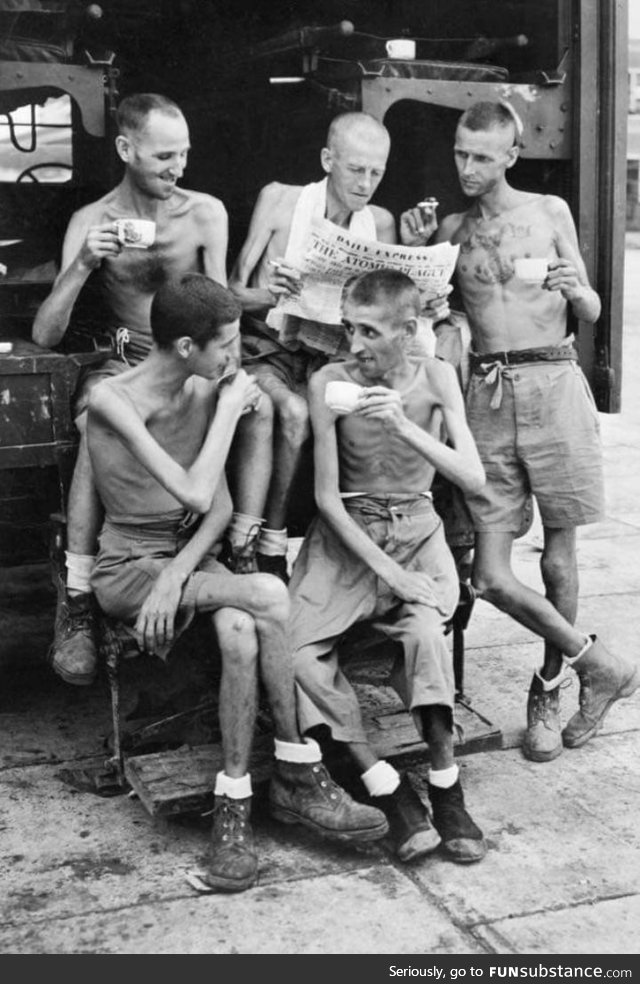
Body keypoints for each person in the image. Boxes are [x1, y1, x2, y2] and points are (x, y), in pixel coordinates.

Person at [85, 273, 389, 893]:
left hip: (185, 562)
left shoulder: (202, 389)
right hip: (127, 567)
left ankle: (236, 805)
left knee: (242, 631)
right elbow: (192, 490)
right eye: (225, 345)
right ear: (184, 347)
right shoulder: (114, 400)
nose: (237, 357)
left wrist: (176, 576)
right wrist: (229, 408)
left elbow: (217, 509)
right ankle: (298, 769)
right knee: (270, 594)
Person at [426, 100, 639, 762]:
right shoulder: (453, 228)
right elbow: (433, 311)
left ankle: (548, 687)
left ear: (511, 156)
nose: (468, 166)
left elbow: (594, 308)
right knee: (489, 574)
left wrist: (579, 290)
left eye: (482, 156)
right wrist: (423, 248)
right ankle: (597, 663)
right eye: (461, 152)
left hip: (554, 382)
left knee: (557, 558)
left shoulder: (550, 213)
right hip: (489, 394)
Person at [31, 93, 267, 687]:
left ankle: (245, 546)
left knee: (269, 411)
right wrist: (83, 263)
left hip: (194, 358)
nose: (177, 168)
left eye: (183, 155)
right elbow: (47, 333)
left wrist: (235, 375)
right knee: (93, 422)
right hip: (122, 362)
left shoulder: (206, 212)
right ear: (125, 150)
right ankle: (81, 594)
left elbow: (220, 314)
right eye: (164, 156)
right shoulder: (91, 221)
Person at [289, 269, 487, 864]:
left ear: (409, 330)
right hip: (347, 534)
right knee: (294, 655)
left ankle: (446, 786)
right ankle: (385, 785)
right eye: (349, 327)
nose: (355, 344)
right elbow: (327, 498)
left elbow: (473, 478)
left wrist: (402, 423)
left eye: (370, 332)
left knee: (426, 632)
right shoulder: (329, 380)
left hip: (416, 526)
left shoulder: (438, 376)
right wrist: (390, 575)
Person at [228, 111, 442, 581]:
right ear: (328, 159)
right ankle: (269, 544)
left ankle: (383, 540)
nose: (366, 183)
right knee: (297, 413)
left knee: (403, 405)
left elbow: (389, 308)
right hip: (270, 352)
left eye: (377, 172)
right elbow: (230, 294)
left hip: (334, 358)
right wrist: (272, 294)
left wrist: (416, 256)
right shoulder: (281, 202)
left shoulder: (379, 222)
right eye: (355, 169)